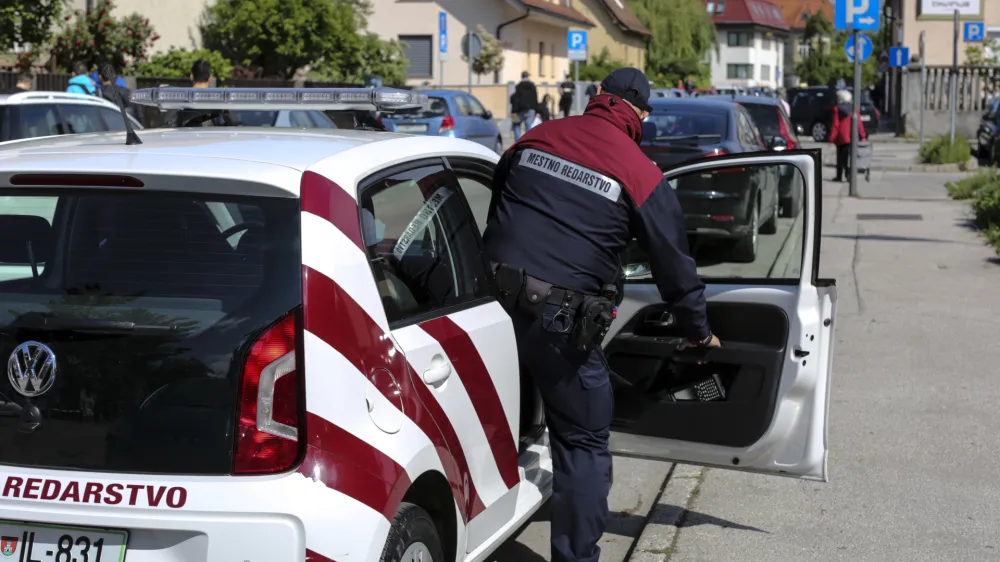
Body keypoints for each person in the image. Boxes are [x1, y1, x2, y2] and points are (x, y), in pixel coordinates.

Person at [482, 67, 720, 562]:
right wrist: (698, 333)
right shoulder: (640, 173)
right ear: (641, 114)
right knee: (584, 444)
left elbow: (498, 202)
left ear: (597, 96)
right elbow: (675, 268)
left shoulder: (537, 136)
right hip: (559, 325)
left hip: (489, 306)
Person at [828, 89, 867, 182]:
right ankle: (848, 175)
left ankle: (839, 176)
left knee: (840, 157)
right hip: (851, 136)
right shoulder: (854, 109)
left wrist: (831, 138)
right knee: (849, 157)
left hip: (840, 137)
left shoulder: (837, 109)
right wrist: (863, 136)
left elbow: (835, 125)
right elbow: (859, 123)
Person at [164, 59, 215, 127]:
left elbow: (169, 124)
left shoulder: (178, 99)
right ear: (210, 78)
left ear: (191, 76)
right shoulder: (217, 101)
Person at [510, 71, 538, 141]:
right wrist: (536, 110)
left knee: (516, 125)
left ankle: (518, 142)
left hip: (519, 110)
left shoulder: (518, 86)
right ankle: (527, 142)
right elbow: (535, 98)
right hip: (531, 109)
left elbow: (516, 99)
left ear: (521, 76)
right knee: (528, 126)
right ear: (528, 76)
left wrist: (513, 111)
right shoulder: (532, 85)